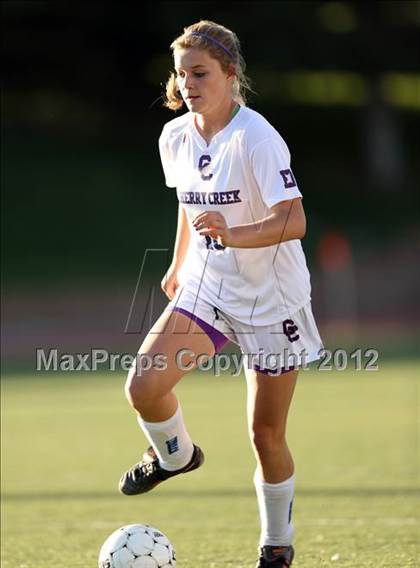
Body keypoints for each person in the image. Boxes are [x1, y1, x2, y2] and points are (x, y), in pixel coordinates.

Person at [119, 20, 323, 568]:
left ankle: (276, 544)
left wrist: (235, 233)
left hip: (270, 302)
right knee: (143, 386)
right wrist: (178, 263)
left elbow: (294, 219)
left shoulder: (256, 137)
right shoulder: (176, 135)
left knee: (265, 434)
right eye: (181, 74)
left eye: (200, 72)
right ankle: (176, 456)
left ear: (231, 75)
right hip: (208, 288)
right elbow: (189, 204)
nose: (188, 83)